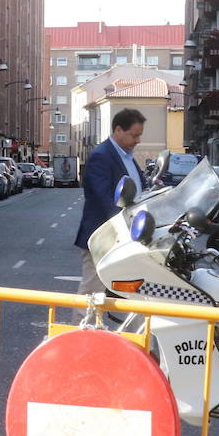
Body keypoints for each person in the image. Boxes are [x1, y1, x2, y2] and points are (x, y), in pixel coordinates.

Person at [74, 108, 147, 296]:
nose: (137, 140)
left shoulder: (126, 156)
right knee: (92, 292)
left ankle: (129, 326)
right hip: (104, 237)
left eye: (139, 135)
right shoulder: (102, 156)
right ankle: (83, 326)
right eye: (134, 135)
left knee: (133, 291)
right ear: (118, 130)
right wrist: (127, 227)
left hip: (126, 237)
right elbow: (104, 198)